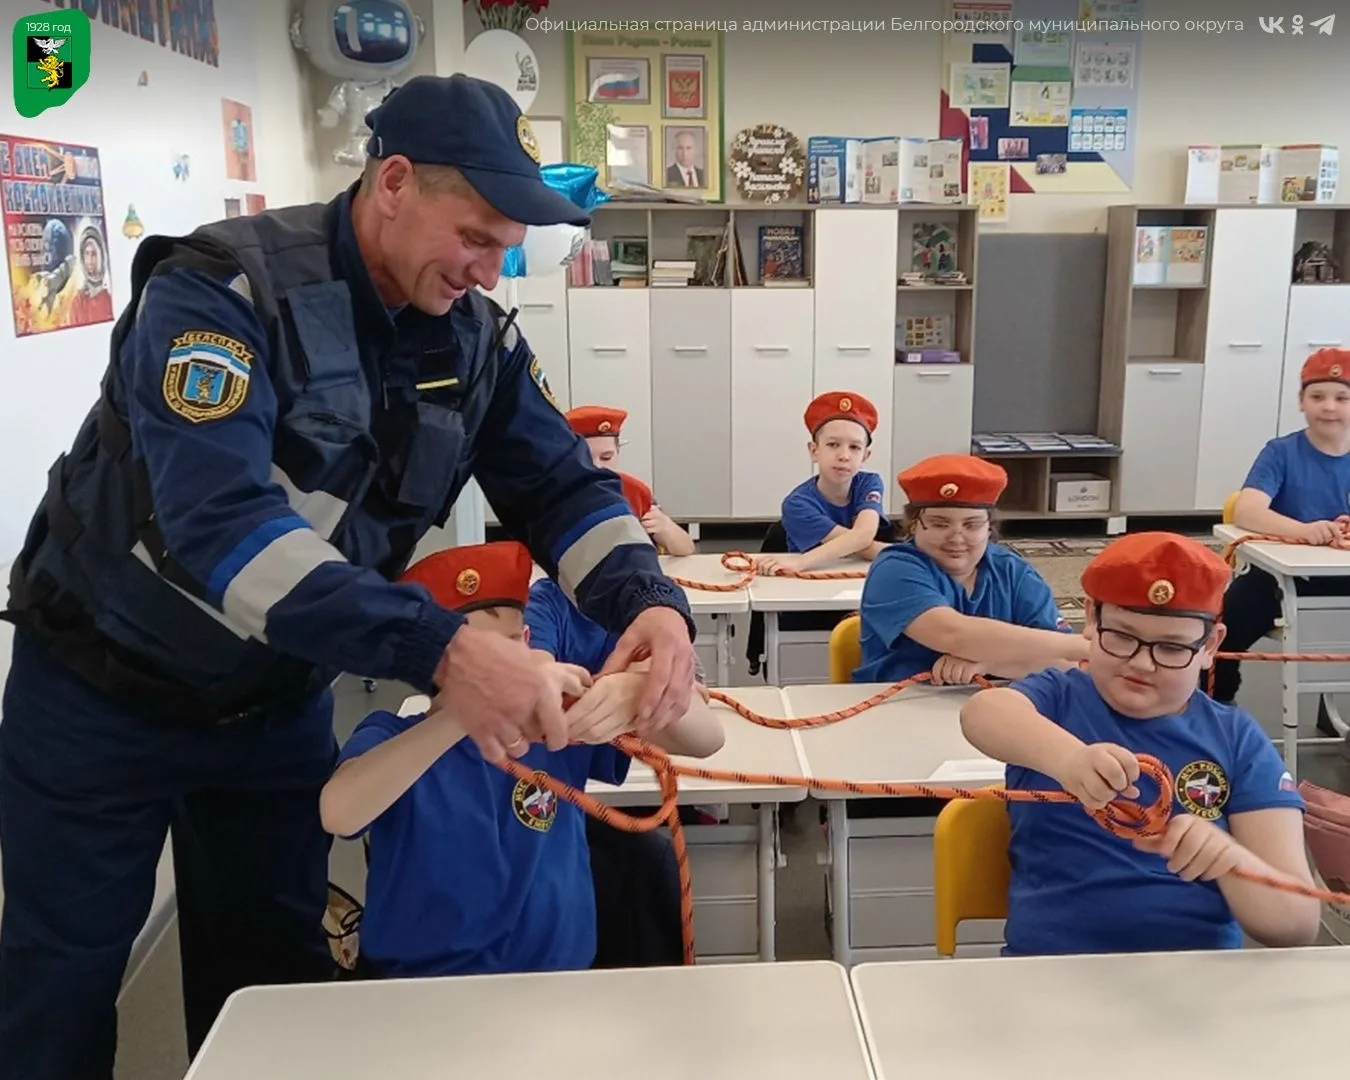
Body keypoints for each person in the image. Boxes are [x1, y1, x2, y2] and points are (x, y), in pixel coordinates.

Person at [0, 74, 698, 1078]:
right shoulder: (221, 294)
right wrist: (443, 651)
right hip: (99, 696)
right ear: (395, 181)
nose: (489, 271)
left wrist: (651, 604)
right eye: (476, 237)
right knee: (59, 992)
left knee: (270, 988)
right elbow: (224, 532)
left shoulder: (476, 341)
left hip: (270, 706)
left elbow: (560, 487)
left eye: (506, 248)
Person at [318, 542, 723, 978]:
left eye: (511, 647)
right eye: (479, 658)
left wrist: (635, 691)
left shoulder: (554, 728)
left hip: (555, 978)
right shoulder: (392, 735)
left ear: (528, 643)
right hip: (421, 985)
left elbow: (707, 740)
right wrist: (466, 711)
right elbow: (338, 812)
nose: (500, 670)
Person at [960, 532, 1320, 955]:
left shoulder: (1237, 739)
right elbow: (983, 713)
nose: (1142, 663)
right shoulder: (1057, 698)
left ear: (1210, 646)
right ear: (1091, 620)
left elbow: (1298, 925)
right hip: (1051, 967)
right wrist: (1068, 758)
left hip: (1197, 973)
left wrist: (1231, 860)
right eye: (1123, 637)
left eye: (1171, 647)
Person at [854, 454, 1086, 684]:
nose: (957, 538)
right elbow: (952, 634)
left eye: (972, 525)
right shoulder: (893, 569)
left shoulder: (1013, 571)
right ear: (914, 526)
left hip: (1000, 699)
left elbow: (1068, 663)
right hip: (900, 701)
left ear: (989, 528)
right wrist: (1080, 645)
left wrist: (991, 665)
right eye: (939, 524)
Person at [1213, 348, 1350, 731]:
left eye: (1342, 398)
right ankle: (1218, 708)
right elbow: (1248, 510)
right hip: (1277, 578)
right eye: (1318, 396)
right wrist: (1304, 531)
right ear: (1302, 401)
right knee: (1222, 626)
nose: (1329, 407)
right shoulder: (1281, 453)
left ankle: (1332, 710)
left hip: (1343, 580)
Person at [757, 391, 894, 576]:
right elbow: (861, 539)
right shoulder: (797, 504)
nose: (844, 456)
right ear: (814, 451)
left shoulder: (869, 482)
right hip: (803, 579)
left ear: (865, 456)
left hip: (856, 573)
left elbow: (863, 536)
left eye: (854, 447)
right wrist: (906, 553)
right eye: (833, 445)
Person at [564, 404, 695, 556]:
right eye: (586, 459)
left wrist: (665, 526)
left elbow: (686, 549)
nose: (598, 467)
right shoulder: (553, 493)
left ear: (618, 451)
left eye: (606, 457)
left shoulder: (633, 491)